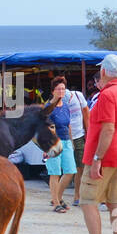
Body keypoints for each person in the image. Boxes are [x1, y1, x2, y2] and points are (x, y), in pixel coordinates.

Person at [72, 54, 117, 234]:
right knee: (115, 203)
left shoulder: (107, 95)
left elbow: (108, 128)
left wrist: (97, 158)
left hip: (103, 156)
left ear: (104, 71)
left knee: (88, 201)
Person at [42, 78, 78, 212]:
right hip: (53, 143)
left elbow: (68, 125)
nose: (61, 91)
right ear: (53, 91)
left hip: (66, 141)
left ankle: (58, 197)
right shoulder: (48, 108)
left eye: (63, 89)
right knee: (55, 173)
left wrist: (71, 142)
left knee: (70, 171)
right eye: (58, 89)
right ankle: (56, 202)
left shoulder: (66, 106)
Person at [65, 78, 91, 208]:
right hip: (64, 137)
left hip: (79, 135)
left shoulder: (77, 95)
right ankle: (57, 196)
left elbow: (86, 114)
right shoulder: (57, 100)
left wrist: (89, 133)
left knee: (80, 167)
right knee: (66, 168)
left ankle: (77, 195)